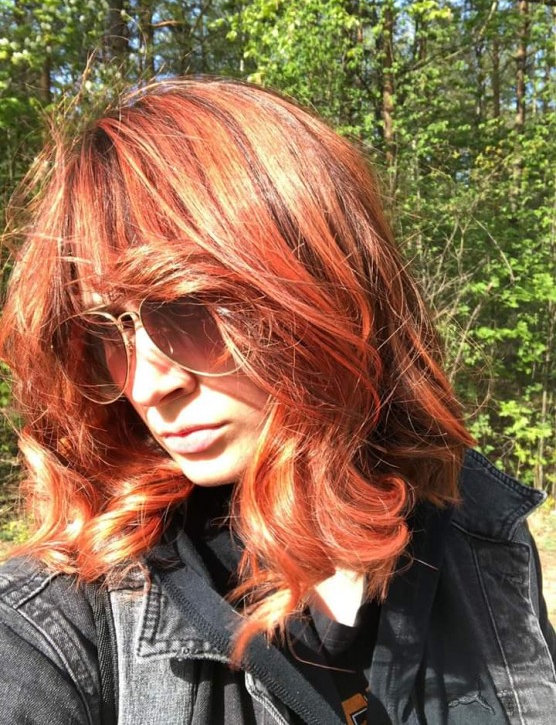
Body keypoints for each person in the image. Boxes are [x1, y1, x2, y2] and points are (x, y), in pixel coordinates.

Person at [0, 77, 554, 725]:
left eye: (187, 309)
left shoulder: (479, 534)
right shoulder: (56, 626)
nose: (146, 386)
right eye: (105, 328)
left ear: (325, 291)